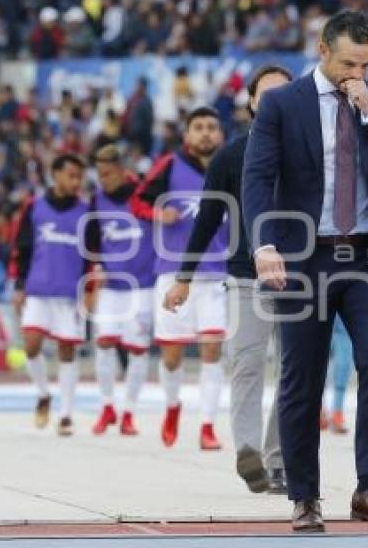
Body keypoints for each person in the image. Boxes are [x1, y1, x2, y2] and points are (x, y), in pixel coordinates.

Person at [242, 10, 368, 533]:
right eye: (349, 62)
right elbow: (256, 181)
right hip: (304, 257)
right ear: (323, 50)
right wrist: (264, 244)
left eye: (366, 64)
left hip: (366, 254)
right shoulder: (281, 104)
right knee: (302, 378)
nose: (356, 73)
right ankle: (304, 495)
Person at [162, 65, 292, 493]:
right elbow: (206, 221)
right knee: (247, 363)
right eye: (265, 94)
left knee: (296, 373)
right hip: (244, 276)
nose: (274, 101)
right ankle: (250, 452)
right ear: (251, 103)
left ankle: (278, 460)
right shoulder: (229, 157)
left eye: (284, 94)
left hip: (303, 279)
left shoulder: (313, 153)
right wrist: (183, 276)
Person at [131, 107, 228, 450]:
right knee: (171, 356)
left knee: (212, 348)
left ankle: (207, 425)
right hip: (172, 273)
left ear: (221, 135)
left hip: (217, 273)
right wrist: (158, 212)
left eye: (211, 128)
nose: (205, 133)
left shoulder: (231, 167)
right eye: (198, 127)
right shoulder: (170, 165)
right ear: (187, 135)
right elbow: (137, 201)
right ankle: (172, 407)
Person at [12, 154, 89, 436]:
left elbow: (93, 255)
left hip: (70, 294)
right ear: (55, 174)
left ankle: (66, 414)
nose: (76, 181)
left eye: (79, 177)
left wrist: (90, 288)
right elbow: (22, 249)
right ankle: (43, 393)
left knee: (67, 350)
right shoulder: (34, 208)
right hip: (38, 290)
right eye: (71, 175)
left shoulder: (85, 212)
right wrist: (19, 286)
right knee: (31, 345)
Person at [85, 145, 155, 436]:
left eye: (108, 173)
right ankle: (107, 406)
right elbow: (91, 243)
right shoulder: (97, 200)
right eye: (99, 174)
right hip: (111, 287)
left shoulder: (145, 194)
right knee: (103, 343)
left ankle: (129, 412)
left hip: (143, 286)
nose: (103, 180)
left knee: (138, 350)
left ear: (123, 170)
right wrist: (93, 273)